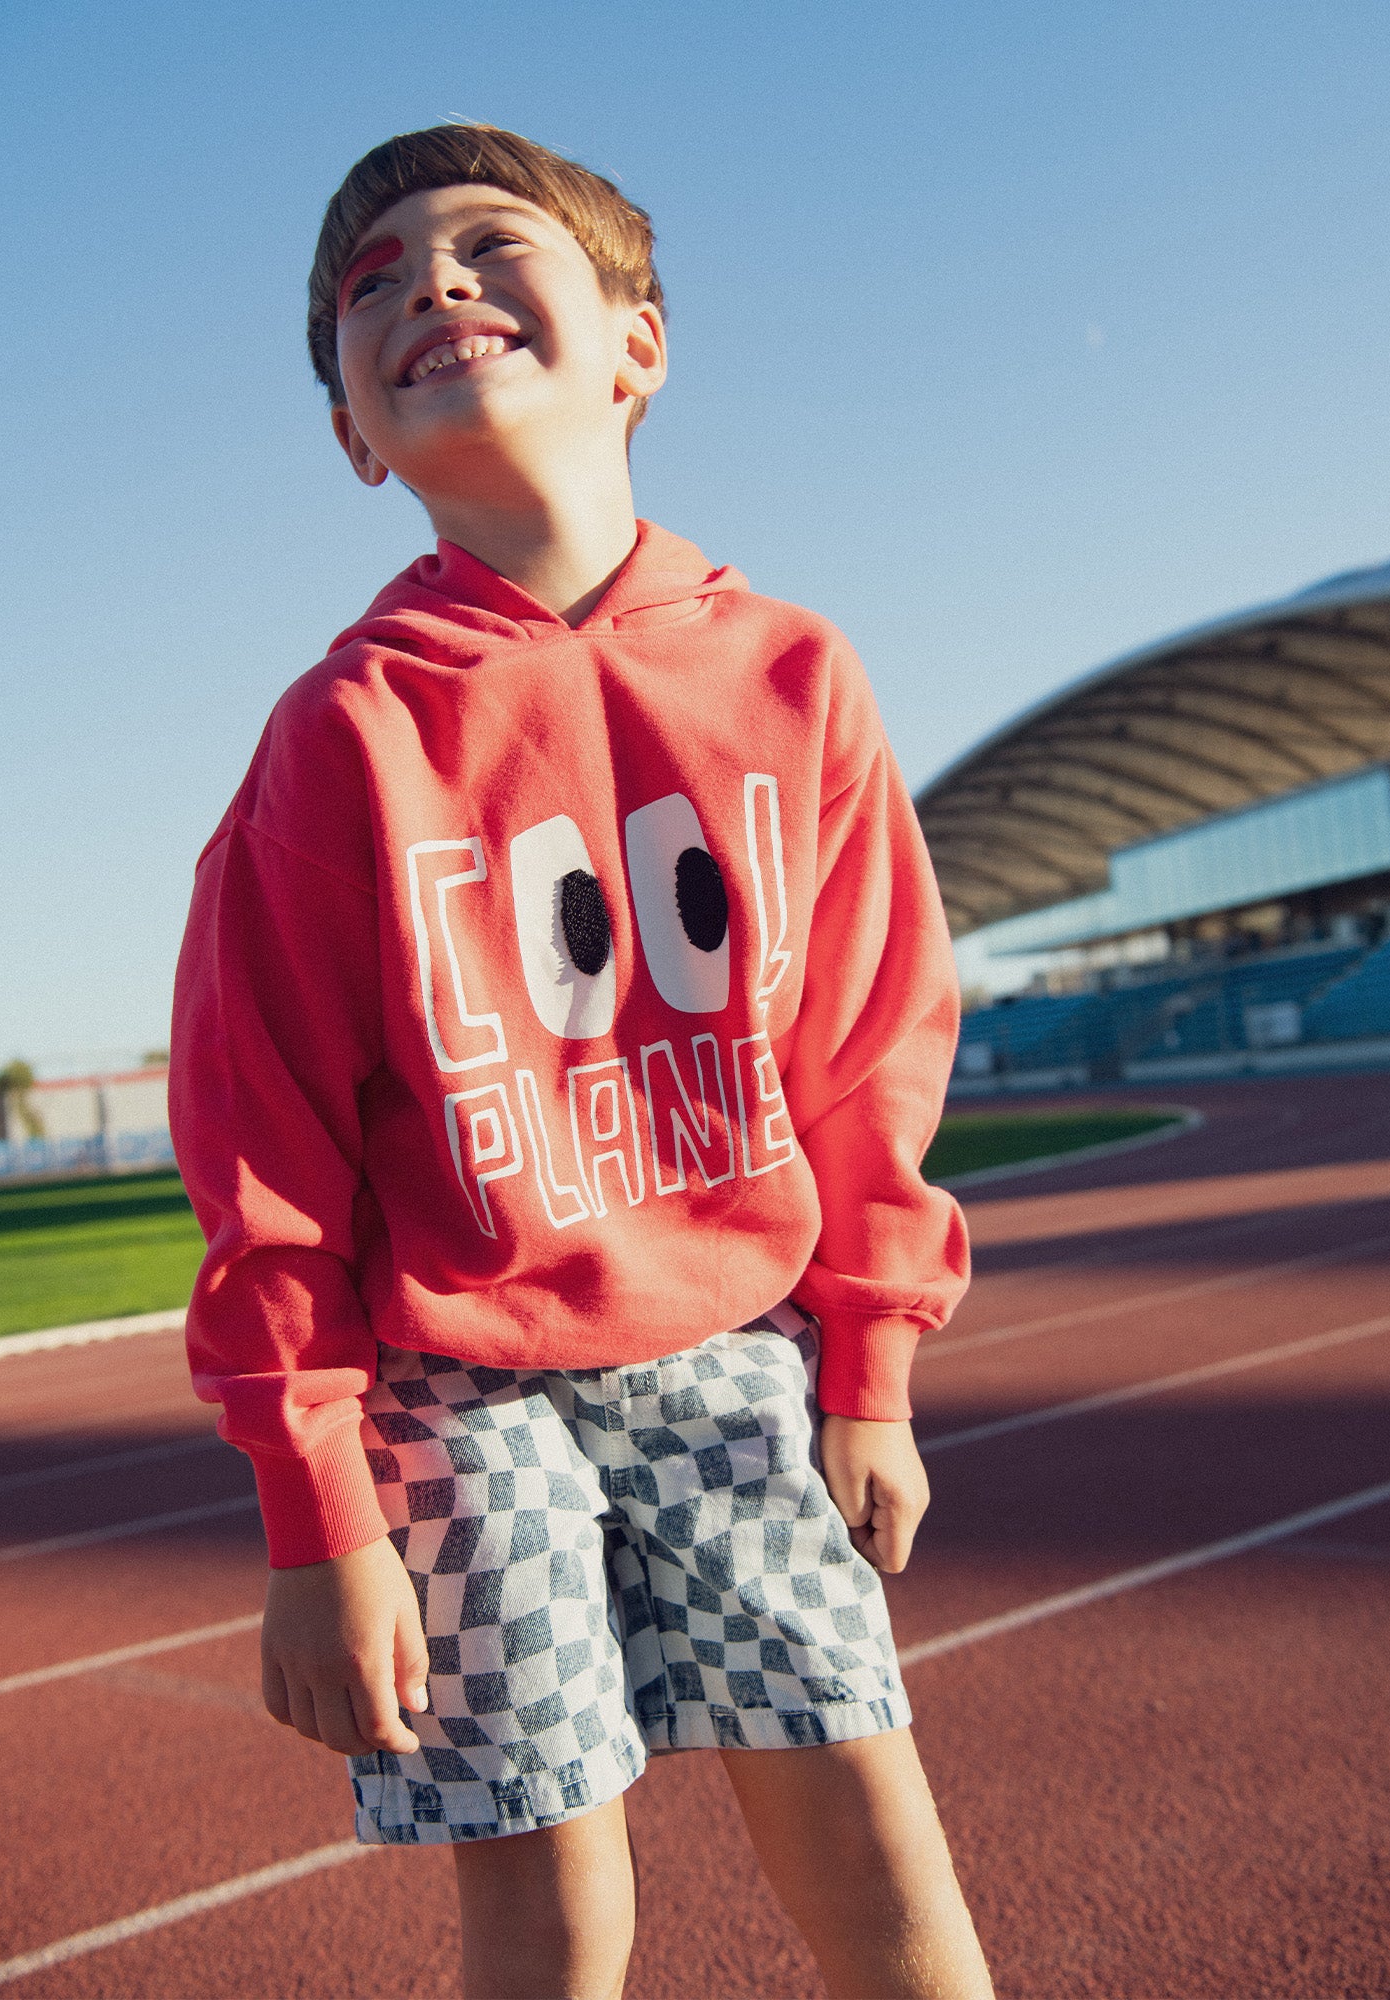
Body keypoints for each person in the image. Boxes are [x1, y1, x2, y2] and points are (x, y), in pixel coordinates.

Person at [170, 123, 991, 2000]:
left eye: (484, 243)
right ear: (357, 439)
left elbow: (870, 1052)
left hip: (735, 1356)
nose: (428, 283)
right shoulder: (340, 741)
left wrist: (869, 1364)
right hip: (453, 1398)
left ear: (639, 345)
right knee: (548, 1919)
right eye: (370, 282)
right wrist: (322, 1516)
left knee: (880, 1851)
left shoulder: (795, 676)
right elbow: (265, 1151)